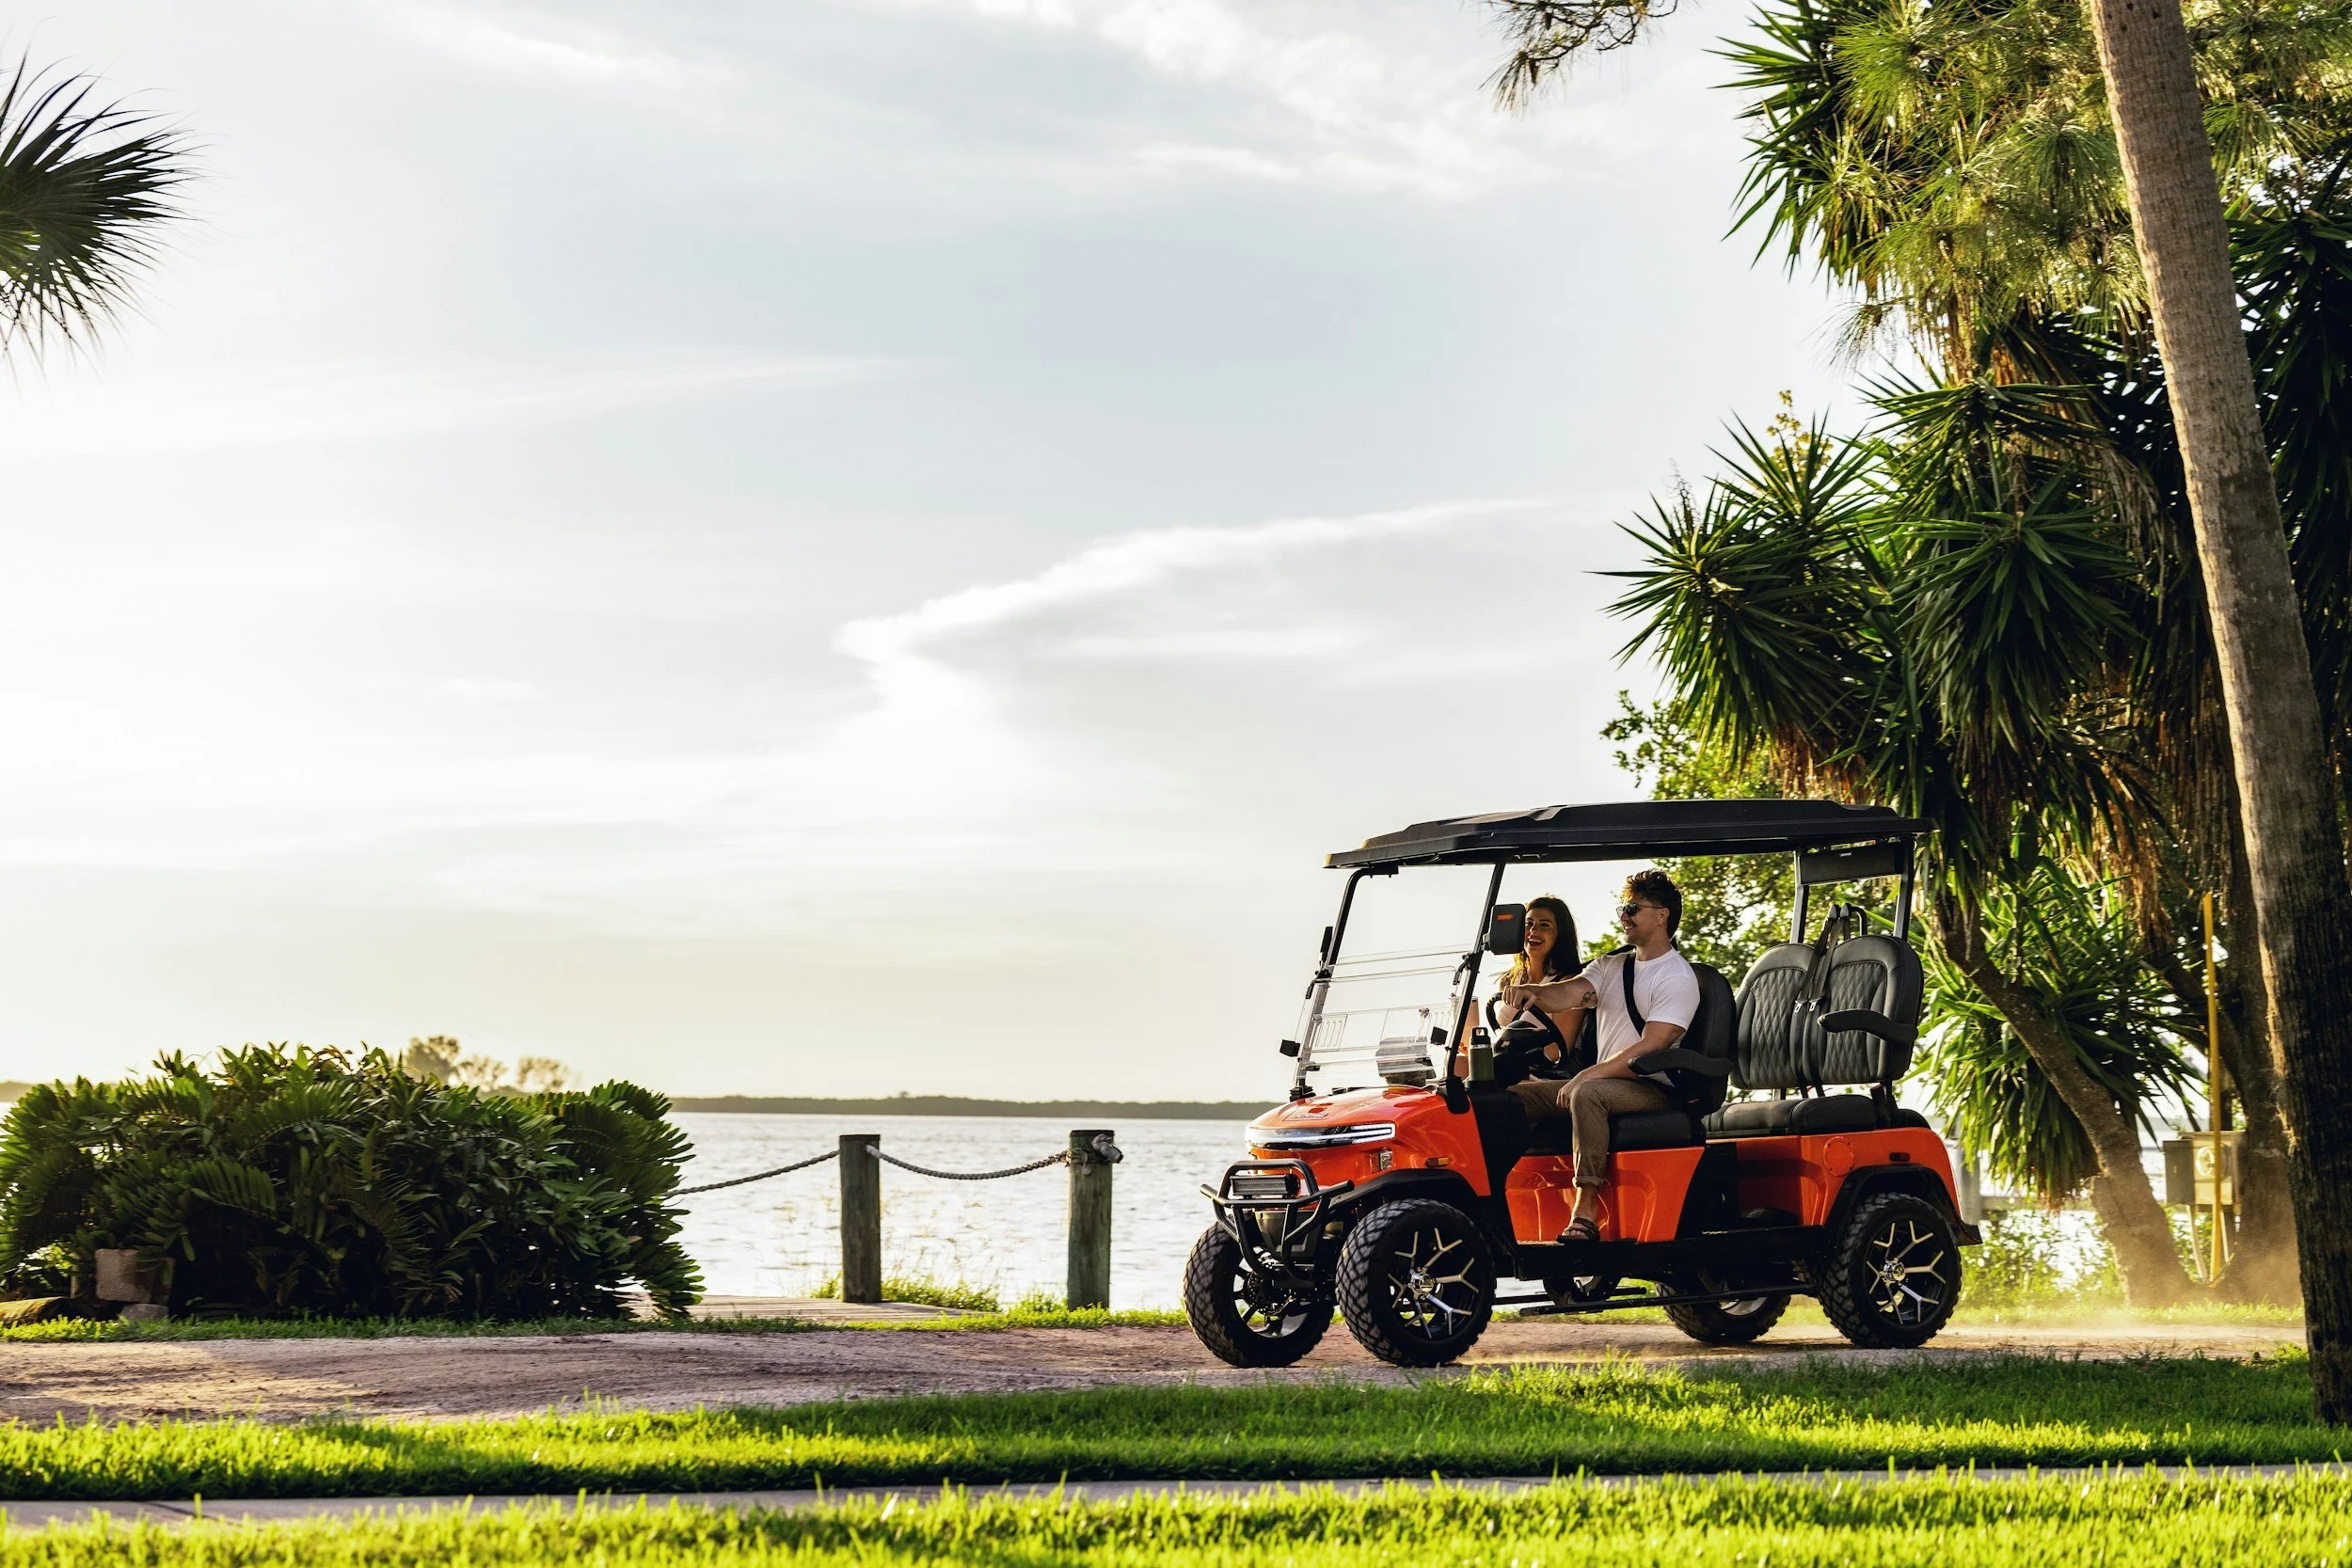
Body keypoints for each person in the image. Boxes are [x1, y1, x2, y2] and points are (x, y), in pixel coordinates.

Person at [1499, 869, 1698, 1243]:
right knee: (1505, 1099)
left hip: (1650, 1088)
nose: (1623, 915)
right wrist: (1533, 993)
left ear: (1662, 915)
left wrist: (1586, 1076)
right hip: (1605, 1083)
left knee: (1587, 1093)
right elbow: (1567, 994)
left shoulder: (1676, 976)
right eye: (1623, 907)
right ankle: (1496, 1201)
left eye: (1632, 908)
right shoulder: (1611, 966)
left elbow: (1651, 1047)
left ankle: (1585, 1212)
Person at [1491, 895, 1580, 1043]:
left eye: (1544, 925)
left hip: (1541, 1065)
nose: (1533, 930)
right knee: (1460, 1060)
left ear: (1560, 934)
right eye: (1528, 924)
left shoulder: (1568, 984)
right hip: (1505, 1060)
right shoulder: (1510, 980)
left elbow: (1556, 1052)